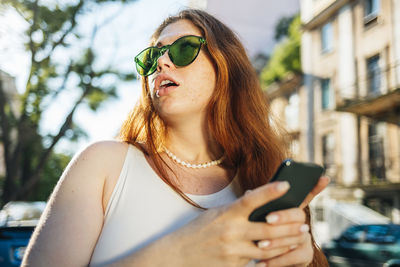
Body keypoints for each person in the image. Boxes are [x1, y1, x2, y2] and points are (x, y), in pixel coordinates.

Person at [21, 9, 330, 267]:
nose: (161, 63)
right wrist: (181, 252)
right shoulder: (102, 164)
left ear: (225, 68)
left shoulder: (262, 180)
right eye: (152, 57)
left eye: (183, 49)